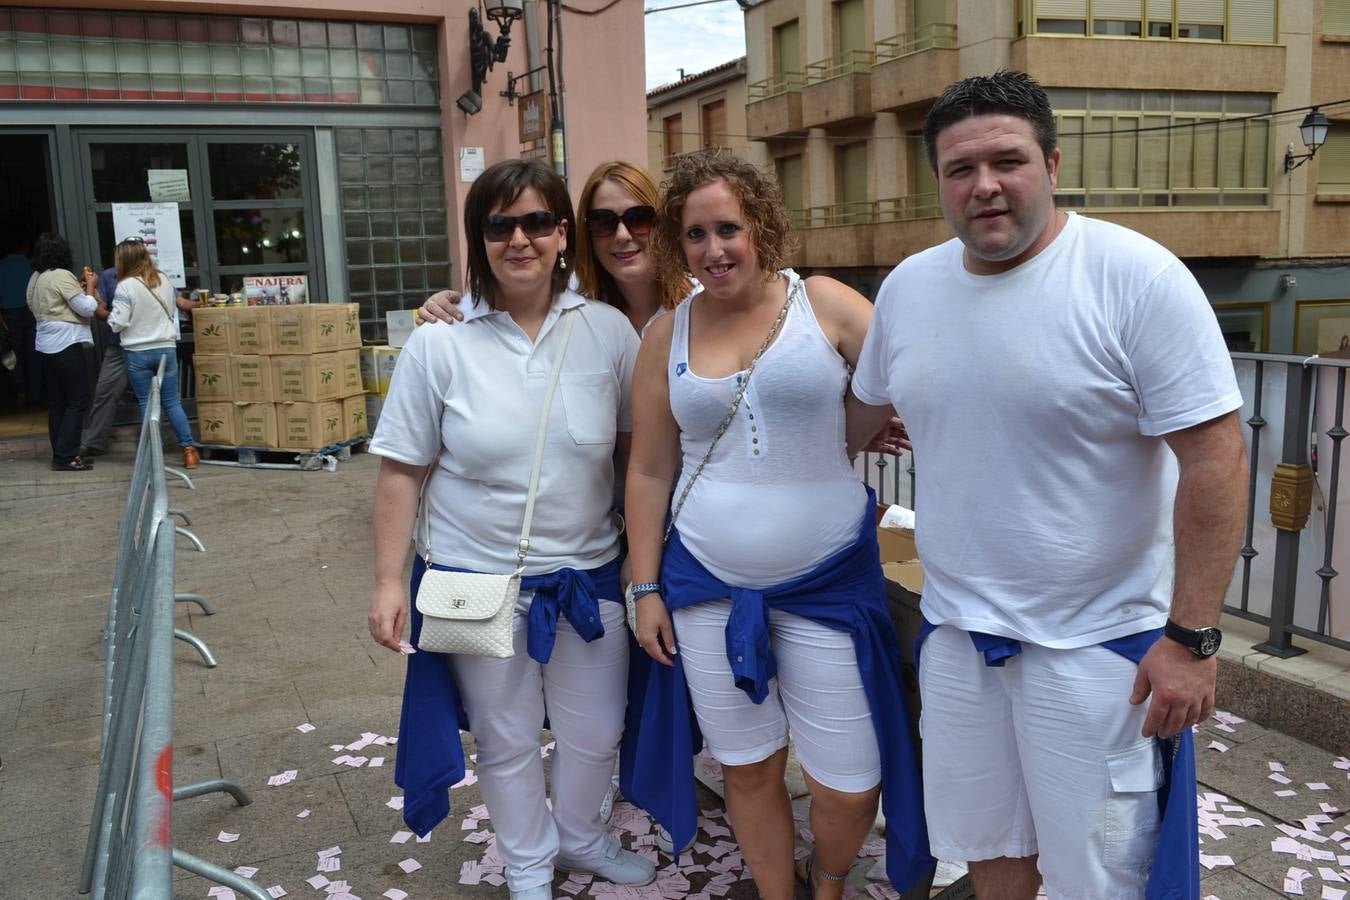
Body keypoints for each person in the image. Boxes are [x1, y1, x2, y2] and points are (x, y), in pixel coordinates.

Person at [845, 71, 1248, 900]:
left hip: (1097, 653)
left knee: (1099, 879)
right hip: (958, 638)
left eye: (1008, 161)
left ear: (1053, 164)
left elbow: (1215, 458)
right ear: (939, 183)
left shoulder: (1136, 277)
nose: (984, 185)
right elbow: (860, 413)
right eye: (961, 169)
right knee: (989, 854)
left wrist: (1194, 640)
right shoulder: (909, 289)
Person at [622, 150, 930, 900]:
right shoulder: (667, 333)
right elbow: (649, 470)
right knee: (747, 767)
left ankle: (827, 883)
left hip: (829, 585)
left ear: (760, 223)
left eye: (727, 227)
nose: (713, 249)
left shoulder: (823, 301)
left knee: (852, 779)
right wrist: (644, 589)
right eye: (694, 235)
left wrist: (880, 413)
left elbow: (922, 364)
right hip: (706, 592)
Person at [367, 158, 655, 900]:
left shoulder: (608, 333)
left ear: (563, 233)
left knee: (596, 731)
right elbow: (401, 468)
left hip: (589, 576)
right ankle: (528, 863)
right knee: (507, 737)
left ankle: (581, 840)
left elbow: (638, 458)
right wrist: (387, 580)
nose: (518, 239)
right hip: (477, 582)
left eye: (535, 222)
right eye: (500, 225)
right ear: (480, 238)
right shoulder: (441, 341)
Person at [107, 238, 199, 469]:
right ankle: (189, 451)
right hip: (166, 348)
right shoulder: (164, 280)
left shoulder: (125, 286)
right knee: (172, 402)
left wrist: (108, 314)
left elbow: (117, 323)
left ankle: (153, 454)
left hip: (137, 351)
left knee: (147, 404)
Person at [26, 232, 106, 471]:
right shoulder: (61, 275)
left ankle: (61, 453)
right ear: (62, 252)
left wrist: (81, 287)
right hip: (66, 342)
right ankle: (67, 456)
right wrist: (91, 286)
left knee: (57, 401)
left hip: (45, 344)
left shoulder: (35, 277)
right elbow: (88, 308)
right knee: (78, 399)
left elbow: (36, 304)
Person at [80, 264, 127, 456]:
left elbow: (178, 302)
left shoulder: (155, 276)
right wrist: (117, 319)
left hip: (146, 344)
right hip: (118, 344)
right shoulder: (110, 276)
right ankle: (94, 442)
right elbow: (98, 310)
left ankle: (179, 443)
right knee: (105, 391)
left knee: (157, 394)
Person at [0, 228, 40, 407]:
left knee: (13, 356)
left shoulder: (1, 267)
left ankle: (19, 388)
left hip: (9, 316)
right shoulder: (33, 267)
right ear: (25, 246)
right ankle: (35, 394)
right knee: (33, 354)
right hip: (31, 313)